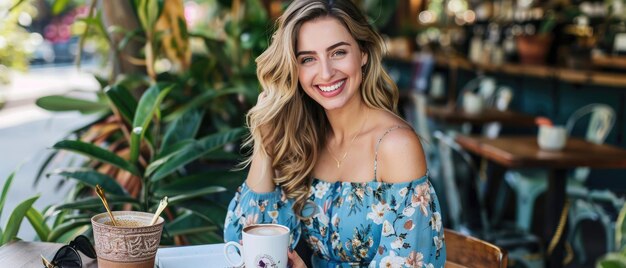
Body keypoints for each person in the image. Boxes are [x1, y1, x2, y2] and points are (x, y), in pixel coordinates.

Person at [224, 0, 446, 267]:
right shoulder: (305, 138)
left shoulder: (396, 146)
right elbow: (244, 246)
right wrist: (264, 140)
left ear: (363, 53)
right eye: (308, 59)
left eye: (338, 52)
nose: (326, 73)